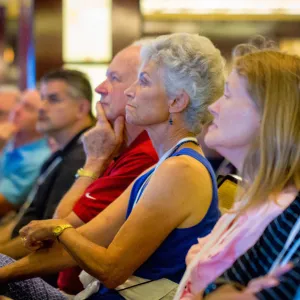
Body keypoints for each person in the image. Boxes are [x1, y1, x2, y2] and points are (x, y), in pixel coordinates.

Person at [0, 32, 224, 299]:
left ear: (176, 101)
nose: (131, 90)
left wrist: (60, 230)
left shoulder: (182, 170)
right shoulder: (165, 164)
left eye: (143, 81)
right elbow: (83, 238)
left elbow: (111, 269)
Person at [0, 45, 159, 294]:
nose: (100, 87)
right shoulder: (115, 147)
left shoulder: (142, 155)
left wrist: (93, 161)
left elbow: (60, 228)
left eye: (114, 78)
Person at [174, 49, 300, 299]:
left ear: (268, 115)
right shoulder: (254, 199)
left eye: (228, 95)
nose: (214, 107)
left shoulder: (286, 212)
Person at [0, 69, 94, 257]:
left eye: (53, 99)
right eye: (42, 98)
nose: (42, 107)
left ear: (82, 109)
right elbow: (24, 219)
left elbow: (48, 238)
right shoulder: (61, 153)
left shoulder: (83, 156)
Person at [0, 90, 51, 217]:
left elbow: (3, 205)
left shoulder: (39, 159)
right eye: (19, 103)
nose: (16, 110)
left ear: (43, 118)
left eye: (28, 108)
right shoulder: (9, 139)